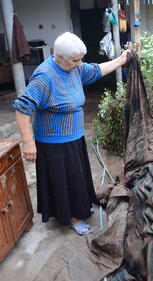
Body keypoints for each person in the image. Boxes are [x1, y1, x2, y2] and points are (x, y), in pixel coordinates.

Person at [13, 32, 130, 235]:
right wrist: (28, 142)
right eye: (75, 60)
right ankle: (72, 217)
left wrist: (121, 60)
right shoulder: (45, 76)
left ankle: (79, 208)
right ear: (59, 57)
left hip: (74, 137)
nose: (79, 64)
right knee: (66, 180)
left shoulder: (74, 67)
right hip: (54, 142)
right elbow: (22, 108)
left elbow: (96, 70)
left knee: (77, 176)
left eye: (80, 59)